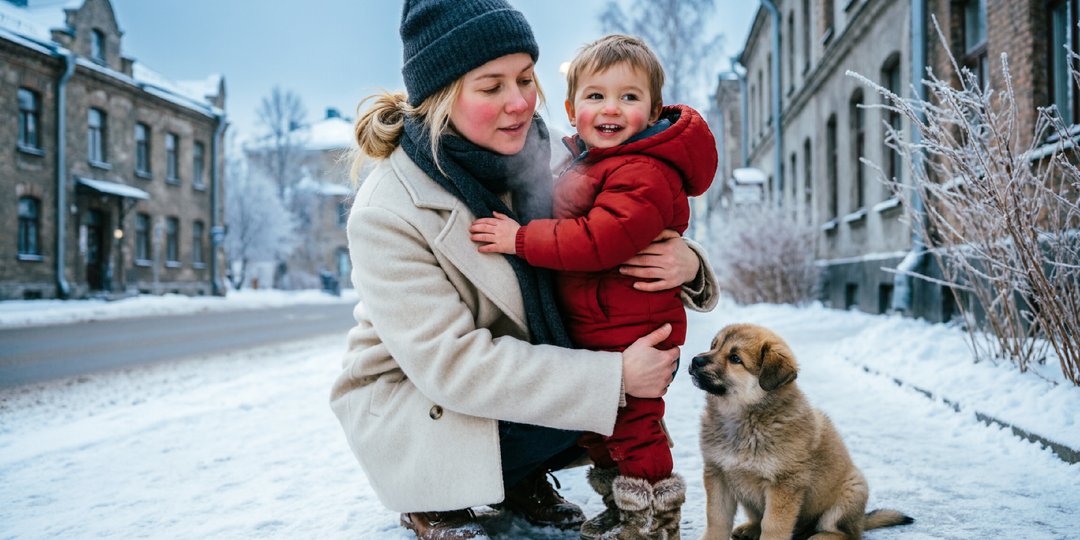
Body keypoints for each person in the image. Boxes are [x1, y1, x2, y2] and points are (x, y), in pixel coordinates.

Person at [329, 2, 718, 539]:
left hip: (513, 377)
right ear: (442, 97)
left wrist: (686, 261)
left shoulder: (546, 155)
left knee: (636, 352)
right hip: (424, 398)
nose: (518, 104)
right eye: (491, 87)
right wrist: (614, 378)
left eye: (526, 79)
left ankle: (519, 476)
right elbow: (453, 365)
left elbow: (617, 223)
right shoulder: (388, 209)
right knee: (612, 382)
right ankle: (433, 495)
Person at [469, 34, 718, 540]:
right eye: (596, 95)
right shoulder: (589, 162)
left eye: (629, 97)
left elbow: (597, 243)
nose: (611, 108)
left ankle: (653, 519)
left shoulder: (642, 171)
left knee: (635, 431)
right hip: (602, 327)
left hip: (634, 333)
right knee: (600, 428)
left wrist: (519, 239)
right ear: (572, 107)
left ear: (651, 113)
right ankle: (620, 505)